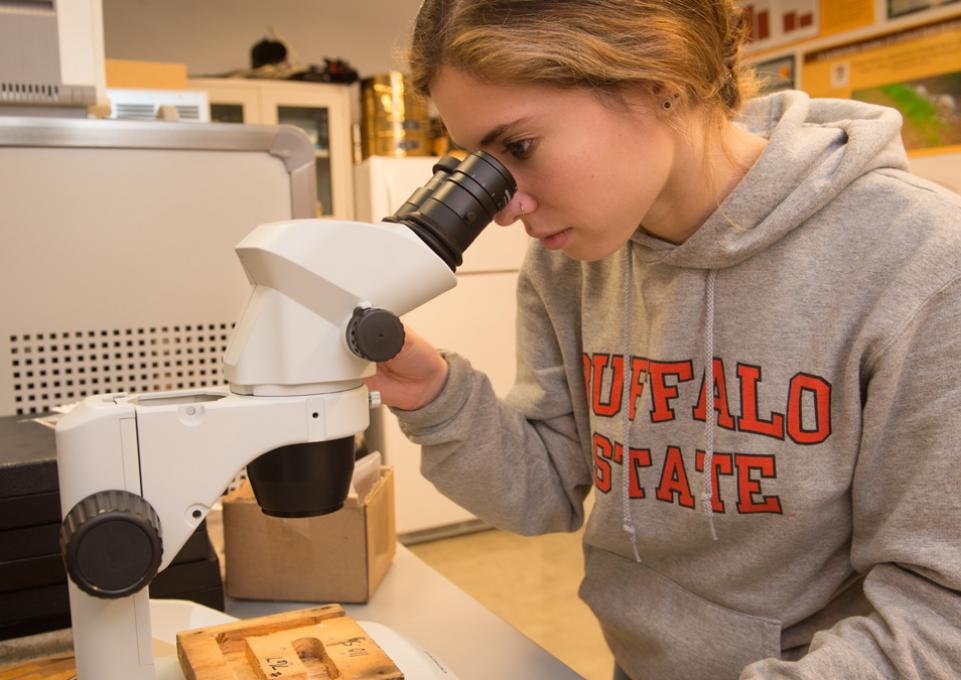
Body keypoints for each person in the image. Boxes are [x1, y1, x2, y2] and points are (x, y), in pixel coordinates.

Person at [365, 1, 961, 677]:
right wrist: (435, 396)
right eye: (479, 165)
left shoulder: (922, 263)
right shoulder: (571, 259)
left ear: (657, 78)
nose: (502, 207)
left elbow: (940, 619)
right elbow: (542, 491)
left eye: (519, 149)